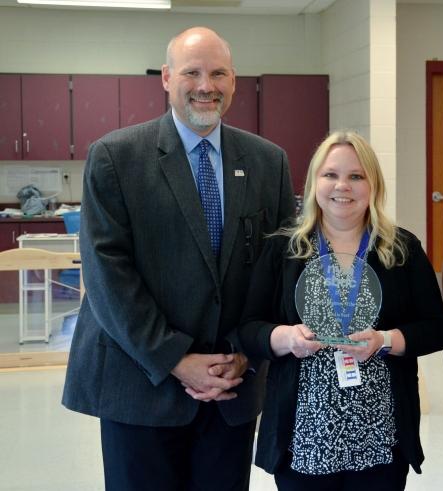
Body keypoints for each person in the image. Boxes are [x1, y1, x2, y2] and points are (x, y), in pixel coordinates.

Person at [61, 26, 295, 490]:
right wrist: (175, 358)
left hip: (231, 387)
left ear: (233, 81)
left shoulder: (269, 162)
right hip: (140, 387)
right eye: (192, 72)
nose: (206, 85)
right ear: (167, 78)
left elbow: (280, 266)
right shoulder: (116, 157)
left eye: (218, 73)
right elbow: (108, 275)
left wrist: (244, 351)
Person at [234, 130, 443, 490]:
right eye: (330, 175)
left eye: (356, 176)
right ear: (314, 182)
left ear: (373, 185)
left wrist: (384, 340)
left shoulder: (400, 249)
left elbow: (436, 328)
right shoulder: (285, 249)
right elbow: (247, 328)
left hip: (381, 437)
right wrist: (285, 337)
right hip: (303, 439)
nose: (342, 186)